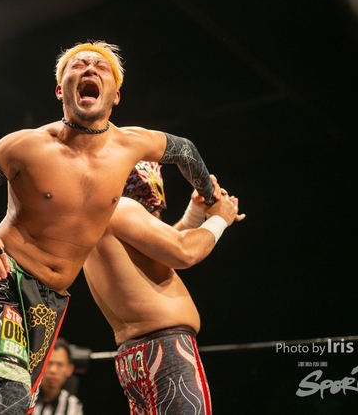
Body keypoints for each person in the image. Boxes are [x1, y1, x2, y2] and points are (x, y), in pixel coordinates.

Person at [0, 41, 221, 415]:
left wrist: (209, 194)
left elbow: (185, 150)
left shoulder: (132, 145)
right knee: (7, 400)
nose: (90, 68)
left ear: (115, 95)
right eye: (78, 65)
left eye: (100, 66)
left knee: (17, 406)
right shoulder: (26, 145)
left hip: (51, 301)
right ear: (61, 90)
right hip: (2, 278)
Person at [83, 161, 245, 415]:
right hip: (165, 349)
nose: (157, 216)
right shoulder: (123, 208)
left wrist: (194, 213)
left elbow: (159, 250)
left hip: (137, 356)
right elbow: (184, 252)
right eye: (155, 210)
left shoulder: (96, 220)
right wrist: (219, 219)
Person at [32, 338, 84, 415]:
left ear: (70, 369)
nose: (53, 370)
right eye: (49, 363)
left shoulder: (73, 406)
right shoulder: (25, 397)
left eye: (60, 365)